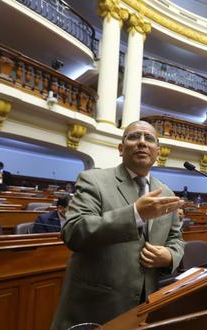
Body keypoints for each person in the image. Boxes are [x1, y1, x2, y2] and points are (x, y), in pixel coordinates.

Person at [51, 120, 185, 329]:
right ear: (121, 149)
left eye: (149, 139)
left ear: (158, 151)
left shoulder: (166, 193)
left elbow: (175, 239)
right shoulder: (93, 180)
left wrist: (170, 257)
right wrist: (134, 215)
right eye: (134, 137)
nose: (142, 142)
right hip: (98, 306)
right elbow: (73, 231)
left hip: (147, 306)